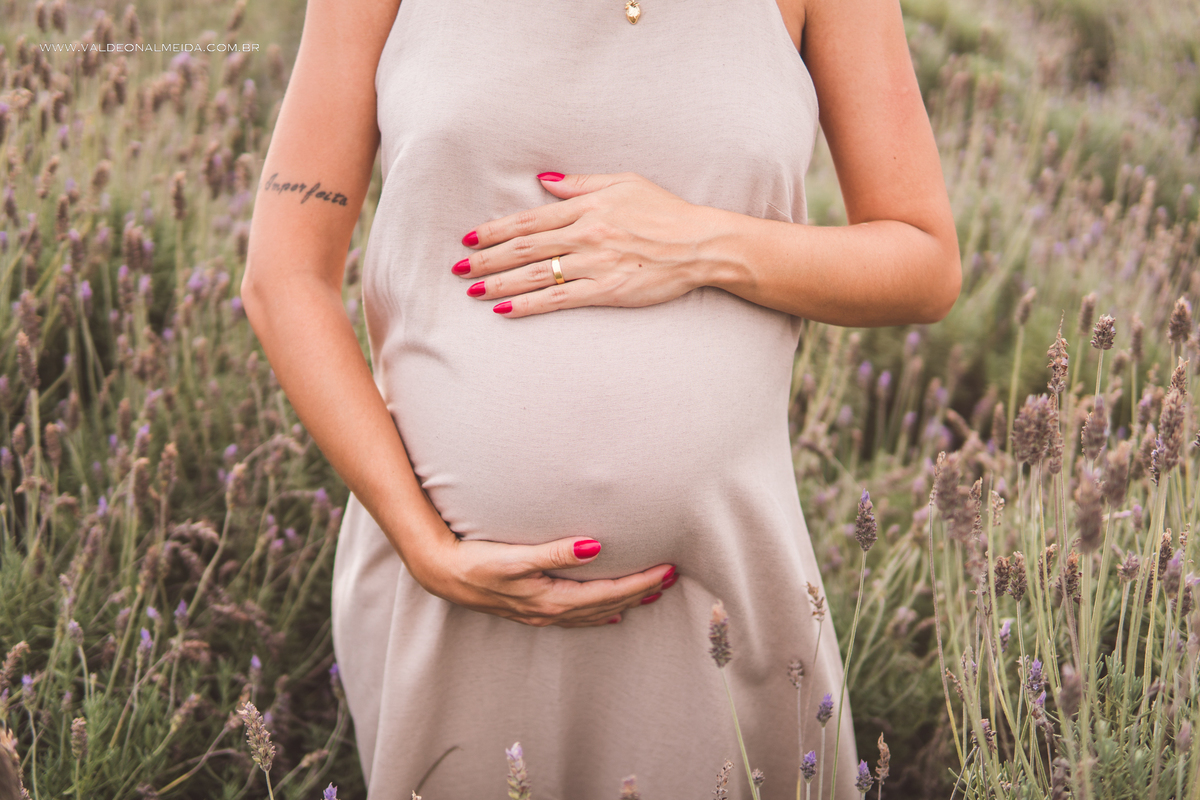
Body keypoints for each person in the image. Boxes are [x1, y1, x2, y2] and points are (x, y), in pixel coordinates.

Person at [241, 0, 960, 796]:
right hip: (458, 596)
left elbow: (923, 261)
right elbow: (284, 276)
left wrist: (699, 243)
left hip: (719, 593)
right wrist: (424, 546)